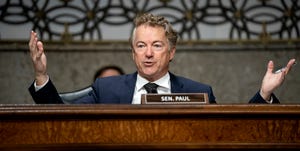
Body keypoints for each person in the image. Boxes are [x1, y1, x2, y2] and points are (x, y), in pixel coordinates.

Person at [28, 13, 296, 104]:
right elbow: (59, 118)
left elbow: (233, 131)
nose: (148, 53)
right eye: (141, 46)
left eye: (157, 45)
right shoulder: (106, 89)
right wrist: (41, 75)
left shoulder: (198, 92)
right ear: (132, 53)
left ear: (172, 52)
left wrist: (263, 94)